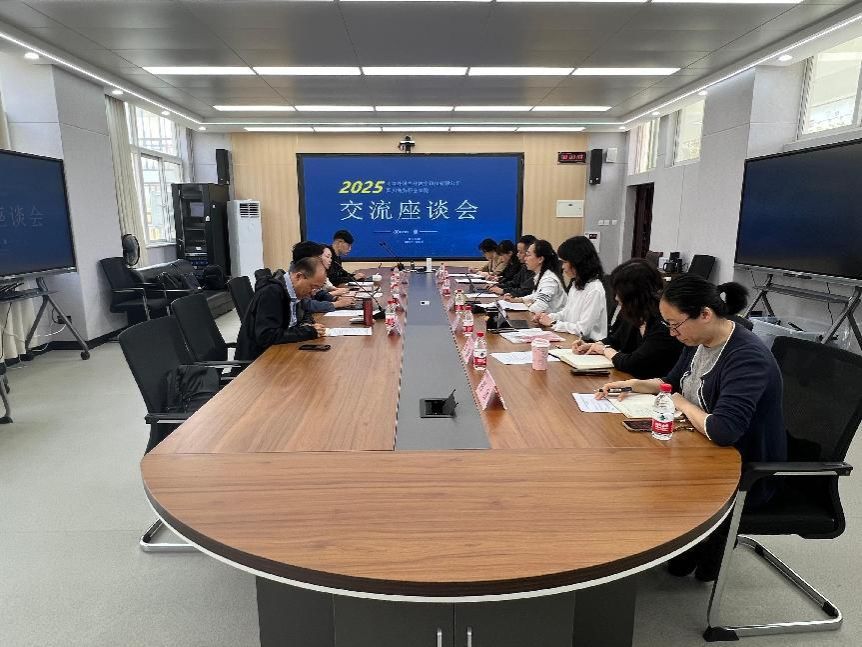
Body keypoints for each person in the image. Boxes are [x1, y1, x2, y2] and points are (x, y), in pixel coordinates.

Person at [596, 275, 786, 581]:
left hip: (741, 468)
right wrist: (632, 385)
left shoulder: (746, 357)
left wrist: (680, 403)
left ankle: (700, 540)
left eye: (675, 324)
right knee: (627, 464)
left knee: (638, 480)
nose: (672, 333)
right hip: (699, 448)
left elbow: (724, 430)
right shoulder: (697, 340)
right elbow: (672, 382)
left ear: (705, 314)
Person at [574, 259, 682, 378]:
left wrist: (604, 350)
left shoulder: (663, 323)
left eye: (619, 292)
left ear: (635, 294)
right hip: (630, 379)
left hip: (651, 384)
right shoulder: (633, 312)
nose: (616, 298)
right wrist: (593, 345)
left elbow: (633, 363)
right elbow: (615, 340)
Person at [235, 257, 328, 362]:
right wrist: (308, 332)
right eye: (313, 287)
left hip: (280, 351)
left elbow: (304, 313)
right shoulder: (271, 293)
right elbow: (266, 336)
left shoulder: (294, 291)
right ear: (299, 277)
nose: (313, 293)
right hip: (259, 361)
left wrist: (307, 324)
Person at [534, 236, 607, 340]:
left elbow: (583, 330)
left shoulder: (594, 289)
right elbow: (566, 313)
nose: (562, 267)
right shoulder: (576, 284)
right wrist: (547, 317)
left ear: (578, 262)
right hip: (571, 338)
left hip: (587, 343)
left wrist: (553, 323)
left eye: (565, 262)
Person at [291, 241, 356, 313]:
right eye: (318, 258)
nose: (320, 261)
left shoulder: (309, 273)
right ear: (306, 260)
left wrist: (334, 298)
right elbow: (306, 304)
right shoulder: (297, 277)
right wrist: (336, 304)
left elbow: (318, 293)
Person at [505, 240, 567, 314]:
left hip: (553, 320)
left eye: (528, 255)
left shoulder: (549, 280)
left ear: (540, 259)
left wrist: (527, 305)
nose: (525, 258)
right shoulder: (541, 275)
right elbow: (537, 295)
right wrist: (519, 299)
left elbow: (539, 307)